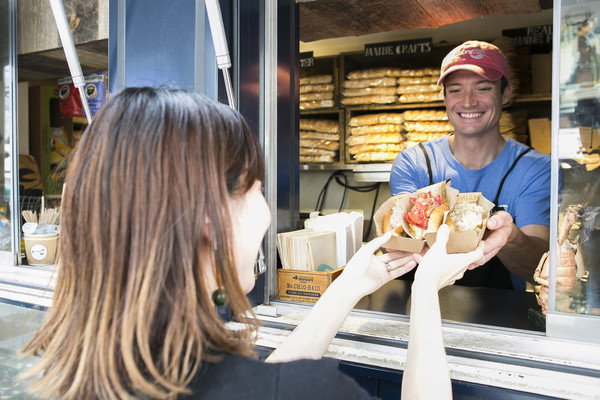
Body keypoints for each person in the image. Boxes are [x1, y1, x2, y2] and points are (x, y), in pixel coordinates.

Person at [20, 87, 483, 399]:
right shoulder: (314, 390)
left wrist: (347, 286)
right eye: (257, 188)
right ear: (208, 218)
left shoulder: (98, 372)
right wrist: (425, 293)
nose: (266, 210)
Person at [390, 40, 551, 291]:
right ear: (444, 97)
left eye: (482, 88)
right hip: (423, 304)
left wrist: (506, 236)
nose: (467, 102)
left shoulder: (535, 169)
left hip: (499, 315)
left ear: (505, 93)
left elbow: (538, 269)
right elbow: (401, 247)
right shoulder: (415, 163)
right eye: (455, 90)